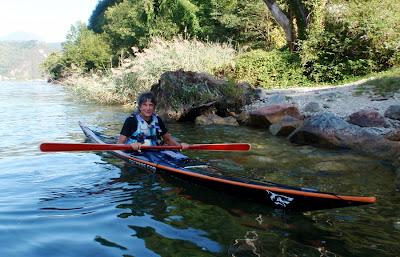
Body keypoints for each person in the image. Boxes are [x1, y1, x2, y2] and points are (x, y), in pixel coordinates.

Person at [118, 91, 185, 151]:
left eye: (151, 105)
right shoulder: (131, 120)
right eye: (145, 105)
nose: (148, 108)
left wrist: (180, 146)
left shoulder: (157, 119)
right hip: (136, 152)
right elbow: (120, 144)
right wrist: (130, 146)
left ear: (154, 107)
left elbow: (168, 139)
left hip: (155, 150)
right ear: (140, 107)